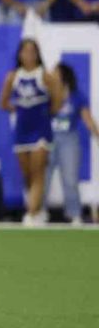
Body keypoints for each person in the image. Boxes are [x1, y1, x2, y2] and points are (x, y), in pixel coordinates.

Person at [0, 39, 62, 226]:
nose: (29, 55)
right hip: (22, 129)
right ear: (19, 55)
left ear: (38, 54)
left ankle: (31, 212)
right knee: (26, 174)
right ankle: (38, 208)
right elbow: (3, 103)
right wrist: (19, 109)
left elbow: (57, 100)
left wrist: (46, 113)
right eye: (25, 51)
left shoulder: (45, 75)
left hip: (41, 128)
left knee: (38, 171)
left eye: (32, 51)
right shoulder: (13, 77)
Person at [49, 63, 98, 225]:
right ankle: (37, 210)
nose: (52, 75)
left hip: (68, 139)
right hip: (47, 138)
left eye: (55, 72)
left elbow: (88, 119)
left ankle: (74, 213)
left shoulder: (77, 96)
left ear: (64, 75)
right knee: (42, 177)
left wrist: (97, 135)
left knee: (70, 177)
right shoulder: (47, 94)